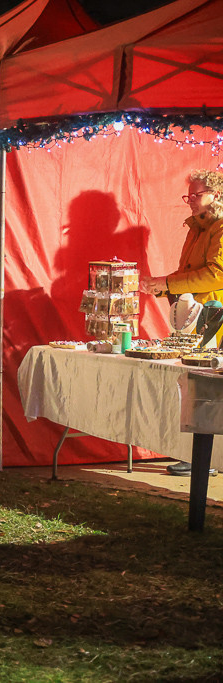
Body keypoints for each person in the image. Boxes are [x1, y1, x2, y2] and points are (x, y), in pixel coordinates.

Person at [147, 169, 223, 476]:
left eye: (196, 194)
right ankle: (201, 457)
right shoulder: (196, 227)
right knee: (196, 387)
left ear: (216, 195)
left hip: (214, 317)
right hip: (196, 317)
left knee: (206, 388)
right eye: (188, 195)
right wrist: (162, 286)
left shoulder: (220, 228)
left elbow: (217, 275)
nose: (190, 200)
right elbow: (186, 274)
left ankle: (207, 459)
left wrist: (168, 283)